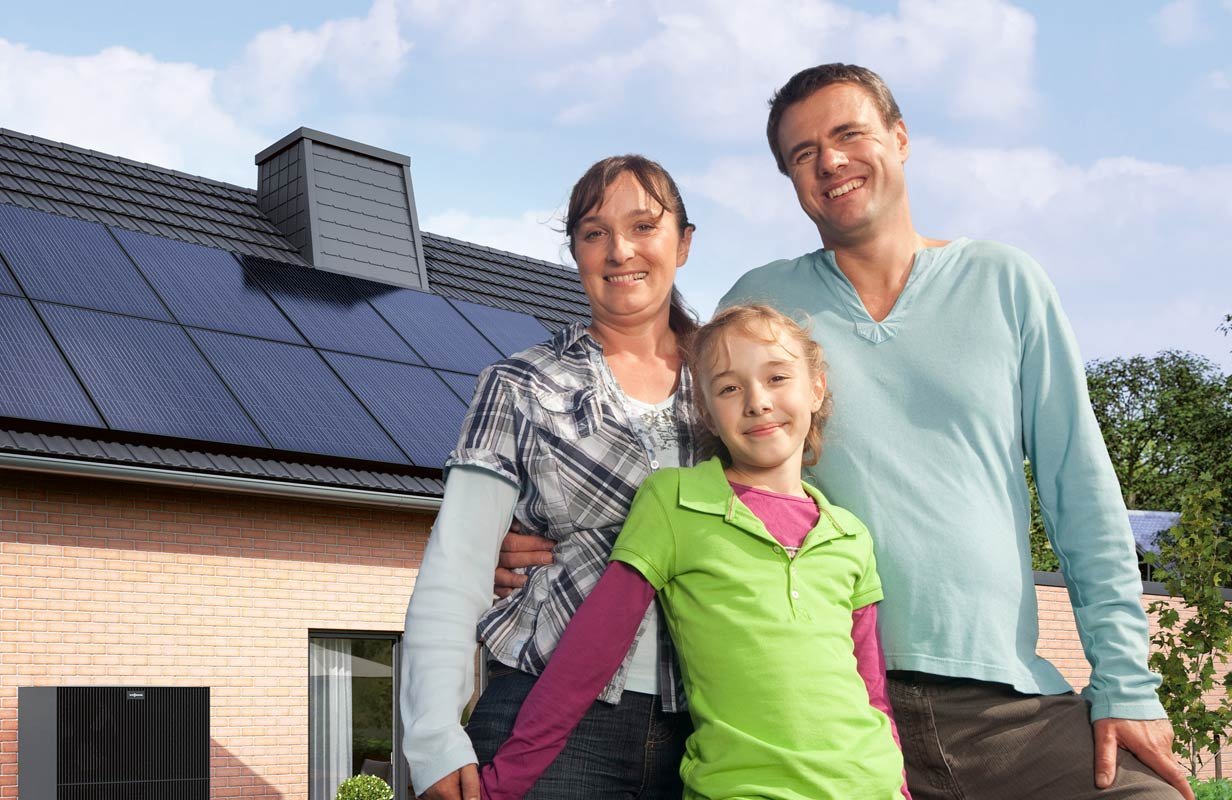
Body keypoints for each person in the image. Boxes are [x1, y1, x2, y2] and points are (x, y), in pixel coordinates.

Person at [496, 64, 1192, 799]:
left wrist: (1127, 681)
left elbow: (1080, 492)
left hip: (1006, 704)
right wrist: (549, 539)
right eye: (802, 154)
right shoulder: (763, 303)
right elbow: (682, 464)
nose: (828, 161)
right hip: (819, 709)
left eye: (848, 133)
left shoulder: (1005, 282)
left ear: (899, 137)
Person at [481, 304, 908, 800]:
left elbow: (872, 692)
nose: (757, 401)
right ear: (705, 410)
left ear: (815, 387)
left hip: (870, 785)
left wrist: (899, 788)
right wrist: (504, 782)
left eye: (777, 377)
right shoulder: (674, 501)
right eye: (729, 387)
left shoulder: (849, 534)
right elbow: (588, 654)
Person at [400, 155, 704, 800]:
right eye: (594, 233)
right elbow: (455, 567)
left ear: (683, 243)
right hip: (549, 717)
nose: (620, 250)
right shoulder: (519, 385)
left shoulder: (734, 386)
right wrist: (432, 735)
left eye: (644, 226)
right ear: (575, 252)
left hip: (713, 721)